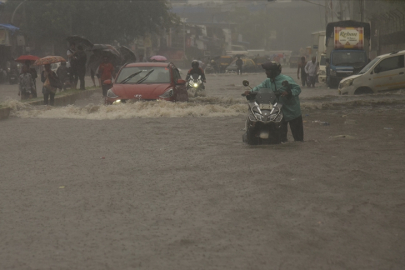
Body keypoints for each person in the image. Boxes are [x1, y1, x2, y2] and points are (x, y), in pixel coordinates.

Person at [244, 61, 303, 142]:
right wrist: (250, 91)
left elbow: (297, 89)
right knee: (281, 139)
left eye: (267, 70)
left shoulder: (286, 80)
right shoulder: (267, 81)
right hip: (279, 113)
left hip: (293, 112)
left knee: (298, 139)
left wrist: (289, 92)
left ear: (274, 71)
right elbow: (259, 88)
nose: (266, 72)